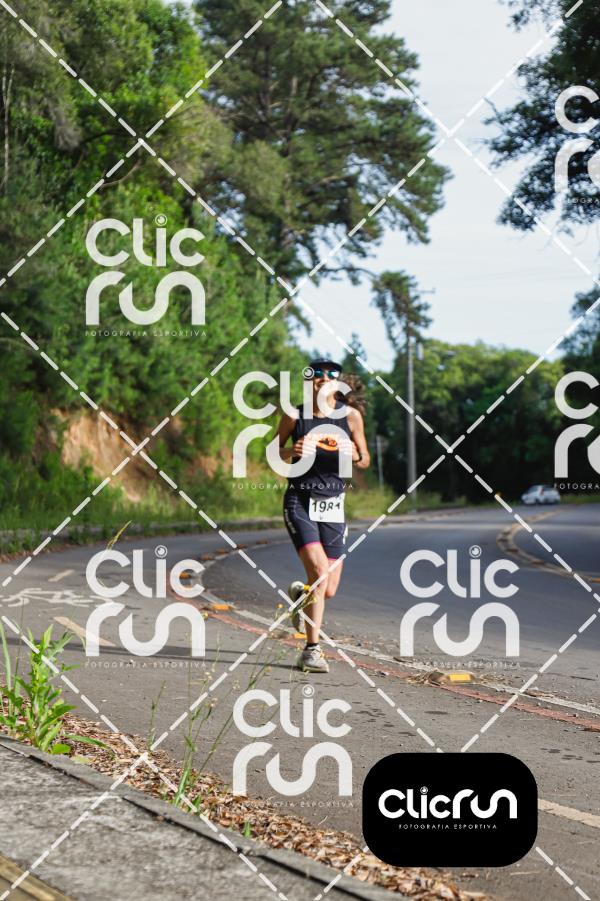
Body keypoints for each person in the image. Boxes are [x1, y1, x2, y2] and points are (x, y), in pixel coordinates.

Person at [276, 358, 370, 673]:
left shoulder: (351, 417)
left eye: (330, 375)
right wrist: (291, 451)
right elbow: (274, 451)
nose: (323, 379)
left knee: (327, 589)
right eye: (316, 375)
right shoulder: (294, 415)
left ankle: (301, 597)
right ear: (309, 381)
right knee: (318, 572)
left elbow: (365, 459)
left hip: (333, 504)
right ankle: (311, 650)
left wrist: (355, 455)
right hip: (300, 501)